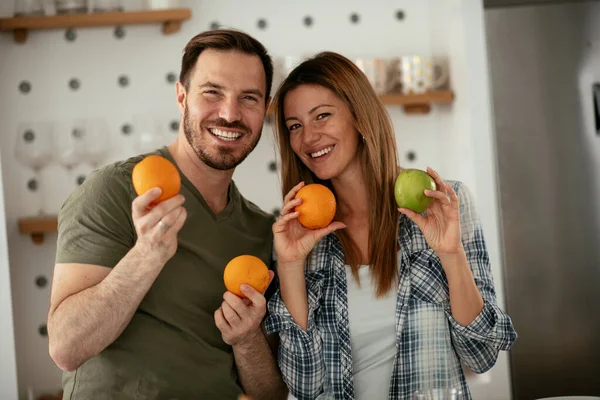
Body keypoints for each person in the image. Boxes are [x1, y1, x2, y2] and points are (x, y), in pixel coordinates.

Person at [47, 29, 288, 399]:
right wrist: (148, 254)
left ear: (265, 109)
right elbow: (66, 348)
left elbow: (269, 394)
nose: (229, 113)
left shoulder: (260, 229)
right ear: (181, 97)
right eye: (212, 92)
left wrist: (246, 340)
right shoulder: (114, 190)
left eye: (249, 98)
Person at [264, 51, 518, 400]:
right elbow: (304, 386)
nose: (308, 138)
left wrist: (451, 253)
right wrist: (291, 266)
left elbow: (483, 353)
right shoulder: (299, 235)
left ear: (359, 116)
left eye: (322, 116)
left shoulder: (440, 204)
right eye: (295, 126)